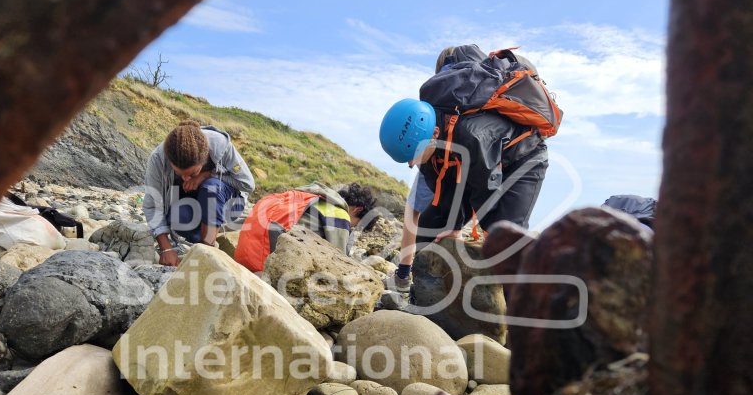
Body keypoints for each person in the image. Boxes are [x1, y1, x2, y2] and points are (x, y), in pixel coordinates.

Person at [381, 44, 552, 291]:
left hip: (524, 159)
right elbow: (444, 188)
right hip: (479, 162)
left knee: (505, 237)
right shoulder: (429, 141)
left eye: (412, 155)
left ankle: (523, 315)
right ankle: (423, 301)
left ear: (434, 135)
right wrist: (451, 225)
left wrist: (468, 231)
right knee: (430, 228)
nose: (411, 163)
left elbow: (485, 194)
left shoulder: (471, 135)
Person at [142, 120, 255, 266]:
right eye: (179, 173)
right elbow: (152, 205)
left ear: (205, 158)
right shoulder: (158, 159)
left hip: (228, 203)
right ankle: (206, 236)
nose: (186, 179)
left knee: (211, 187)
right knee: (177, 218)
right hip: (193, 204)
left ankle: (208, 249)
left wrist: (205, 175)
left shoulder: (220, 145)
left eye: (192, 172)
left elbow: (248, 184)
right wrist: (166, 249)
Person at [234, 182, 377, 273]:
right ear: (357, 210)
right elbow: (338, 263)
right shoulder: (339, 214)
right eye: (356, 224)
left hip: (245, 255)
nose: (351, 228)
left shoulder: (306, 197)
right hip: (267, 264)